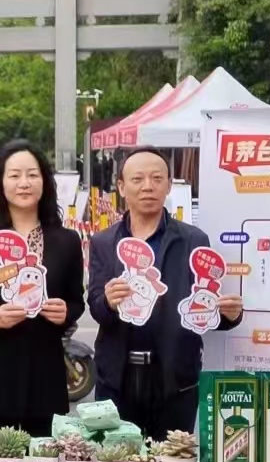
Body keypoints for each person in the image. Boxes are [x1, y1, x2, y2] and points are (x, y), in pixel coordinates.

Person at [87, 146, 243, 438]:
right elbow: (96, 307)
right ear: (121, 186)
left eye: (157, 178)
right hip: (117, 380)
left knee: (172, 460)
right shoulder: (104, 242)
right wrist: (107, 302)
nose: (148, 186)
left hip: (175, 380)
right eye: (137, 179)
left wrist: (229, 315)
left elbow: (203, 306)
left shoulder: (193, 240)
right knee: (115, 460)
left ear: (169, 185)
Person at [0, 140, 85, 451]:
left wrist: (66, 312)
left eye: (32, 174)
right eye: (14, 175)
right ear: (0, 183)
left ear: (45, 181)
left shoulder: (66, 240)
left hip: (46, 374)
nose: (24, 183)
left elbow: (76, 301)